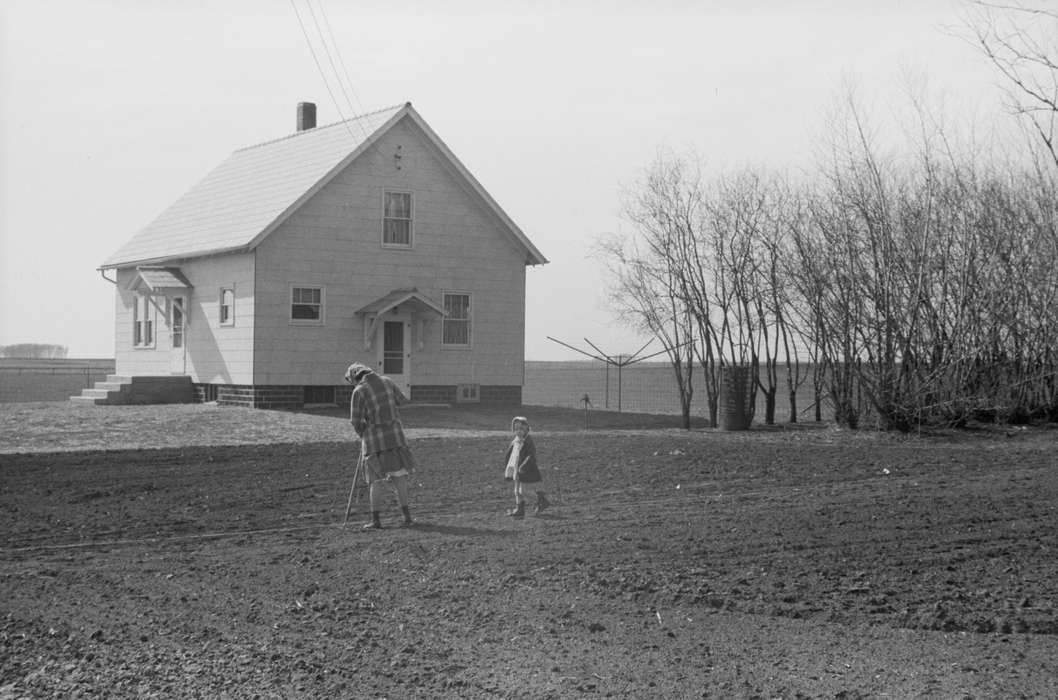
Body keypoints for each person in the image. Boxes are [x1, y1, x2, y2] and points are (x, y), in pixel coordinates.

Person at [345, 362, 417, 529]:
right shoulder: (388, 382)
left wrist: (362, 433)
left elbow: (355, 420)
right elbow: (402, 401)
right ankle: (407, 518)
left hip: (374, 442)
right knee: (399, 478)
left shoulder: (359, 391)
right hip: (396, 438)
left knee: (375, 481)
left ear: (355, 377)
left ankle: (376, 520)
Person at [502, 416, 549, 518]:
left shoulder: (528, 441)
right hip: (516, 469)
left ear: (526, 429)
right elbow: (511, 454)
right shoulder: (516, 440)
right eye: (516, 429)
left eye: (521, 429)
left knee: (523, 491)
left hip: (525, 470)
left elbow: (531, 456)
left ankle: (541, 500)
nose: (518, 431)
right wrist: (508, 466)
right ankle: (519, 509)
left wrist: (523, 467)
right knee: (516, 491)